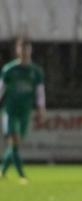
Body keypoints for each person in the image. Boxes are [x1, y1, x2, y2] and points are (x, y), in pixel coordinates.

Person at [0, 37, 46, 183]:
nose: (25, 51)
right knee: (14, 141)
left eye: (27, 48)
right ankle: (22, 175)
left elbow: (40, 92)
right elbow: (1, 89)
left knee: (15, 145)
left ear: (31, 50)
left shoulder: (36, 71)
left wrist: (41, 108)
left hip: (25, 112)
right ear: (17, 50)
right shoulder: (9, 69)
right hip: (10, 111)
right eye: (22, 48)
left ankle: (2, 172)